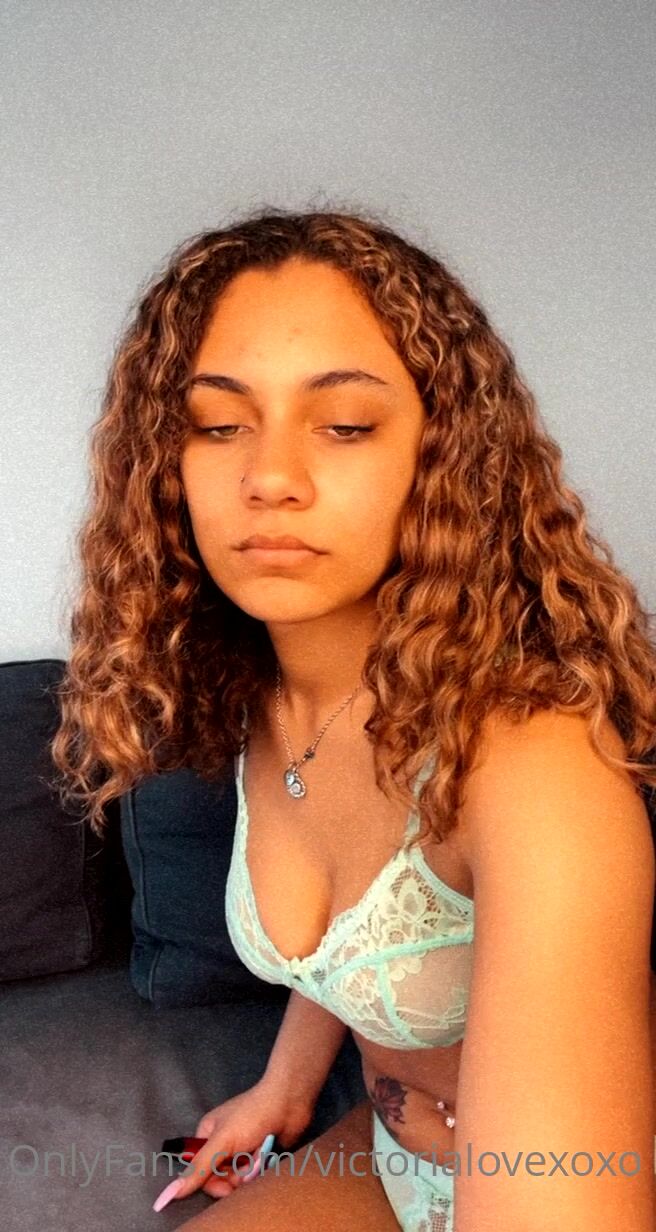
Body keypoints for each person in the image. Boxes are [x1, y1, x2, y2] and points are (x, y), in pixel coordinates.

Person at [49, 208, 656, 1231]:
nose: (269, 478)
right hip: (386, 1155)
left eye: (343, 425)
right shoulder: (264, 697)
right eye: (217, 423)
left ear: (442, 456)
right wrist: (286, 1088)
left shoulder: (537, 769)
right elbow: (356, 936)